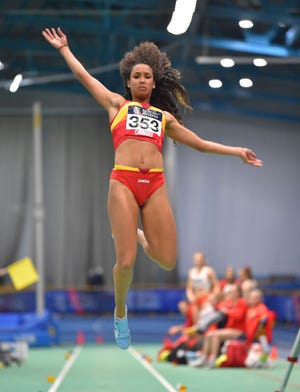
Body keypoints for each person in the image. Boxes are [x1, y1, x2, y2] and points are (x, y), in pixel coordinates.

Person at [42, 27, 263, 350]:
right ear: (129, 83)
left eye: (147, 76)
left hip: (155, 184)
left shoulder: (164, 118)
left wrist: (237, 152)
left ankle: (139, 234)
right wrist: (64, 49)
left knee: (168, 260)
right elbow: (84, 76)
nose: (143, 80)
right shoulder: (116, 105)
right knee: (127, 261)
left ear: (154, 83)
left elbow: (200, 144)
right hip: (124, 181)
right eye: (137, 76)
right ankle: (120, 313)